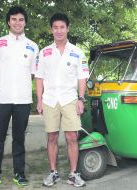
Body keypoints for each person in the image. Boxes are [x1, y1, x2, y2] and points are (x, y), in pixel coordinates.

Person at [0, 6, 39, 190]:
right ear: (8, 21)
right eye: (14, 19)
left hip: (23, 101)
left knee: (19, 139)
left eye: (21, 19)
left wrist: (19, 86)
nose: (17, 22)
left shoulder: (33, 46)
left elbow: (32, 74)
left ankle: (19, 173)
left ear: (25, 22)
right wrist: (5, 86)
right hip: (1, 99)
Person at [35, 13, 89, 187]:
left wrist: (81, 99)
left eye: (62, 27)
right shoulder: (44, 52)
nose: (59, 30)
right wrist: (39, 100)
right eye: (55, 27)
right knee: (51, 137)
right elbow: (39, 78)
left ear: (68, 28)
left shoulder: (77, 52)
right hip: (50, 100)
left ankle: (73, 174)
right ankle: (53, 173)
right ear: (51, 29)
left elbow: (82, 78)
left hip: (69, 100)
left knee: (72, 136)